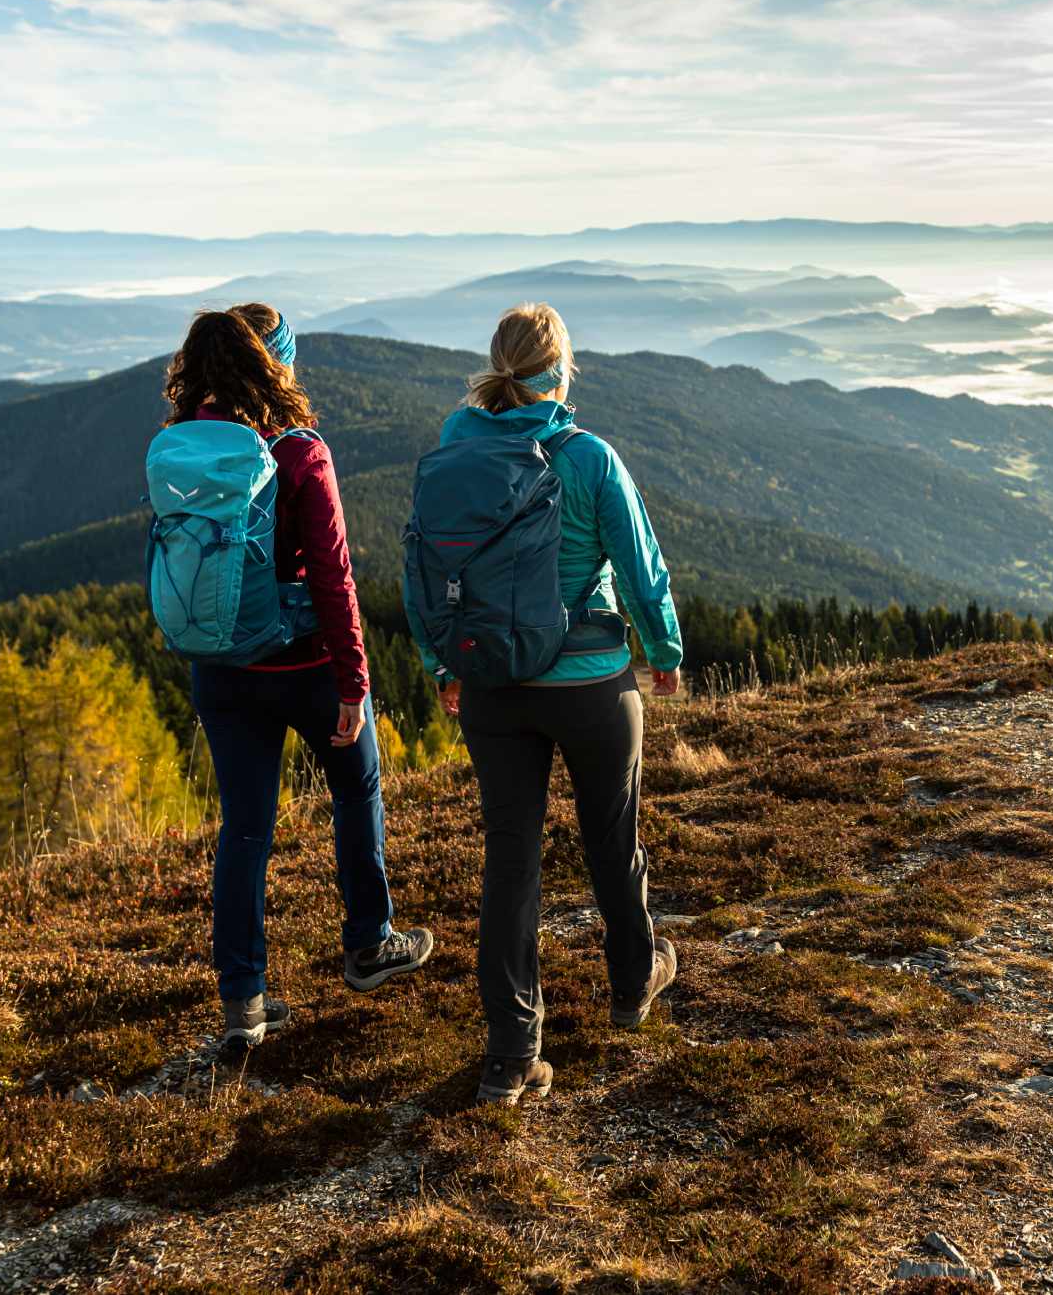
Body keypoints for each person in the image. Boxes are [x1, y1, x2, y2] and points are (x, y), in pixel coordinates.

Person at [407, 302, 684, 1107]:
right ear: (562, 371)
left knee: (511, 862)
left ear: (496, 368)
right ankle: (633, 983)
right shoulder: (590, 457)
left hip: (493, 686)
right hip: (592, 683)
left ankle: (509, 1056)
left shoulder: (454, 453)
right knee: (611, 838)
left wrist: (440, 664)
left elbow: (419, 569)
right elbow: (640, 563)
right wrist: (662, 651)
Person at [162, 303, 433, 1057]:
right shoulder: (299, 452)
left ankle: (242, 1004)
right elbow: (335, 578)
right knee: (356, 788)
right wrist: (354, 682)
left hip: (221, 670)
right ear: (276, 365)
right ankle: (369, 944)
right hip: (308, 664)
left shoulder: (180, 446)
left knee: (245, 831)